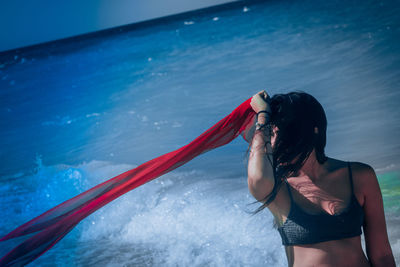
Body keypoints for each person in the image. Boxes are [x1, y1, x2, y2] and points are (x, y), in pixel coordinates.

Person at [247, 90, 395, 267]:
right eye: (270, 134)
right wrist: (262, 117)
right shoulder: (278, 188)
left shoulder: (359, 176)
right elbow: (256, 178)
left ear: (313, 129)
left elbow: (382, 255)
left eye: (279, 132)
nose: (273, 142)